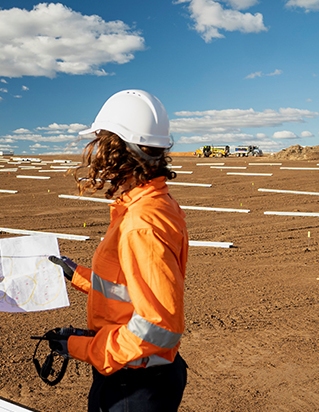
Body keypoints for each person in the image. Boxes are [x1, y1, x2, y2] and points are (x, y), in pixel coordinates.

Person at [48, 90, 189, 412]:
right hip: (140, 373)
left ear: (118, 149)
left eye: (101, 141)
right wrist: (80, 276)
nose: (95, 152)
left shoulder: (141, 221)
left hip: (134, 382)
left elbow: (159, 327)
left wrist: (82, 347)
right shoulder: (148, 205)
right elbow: (130, 286)